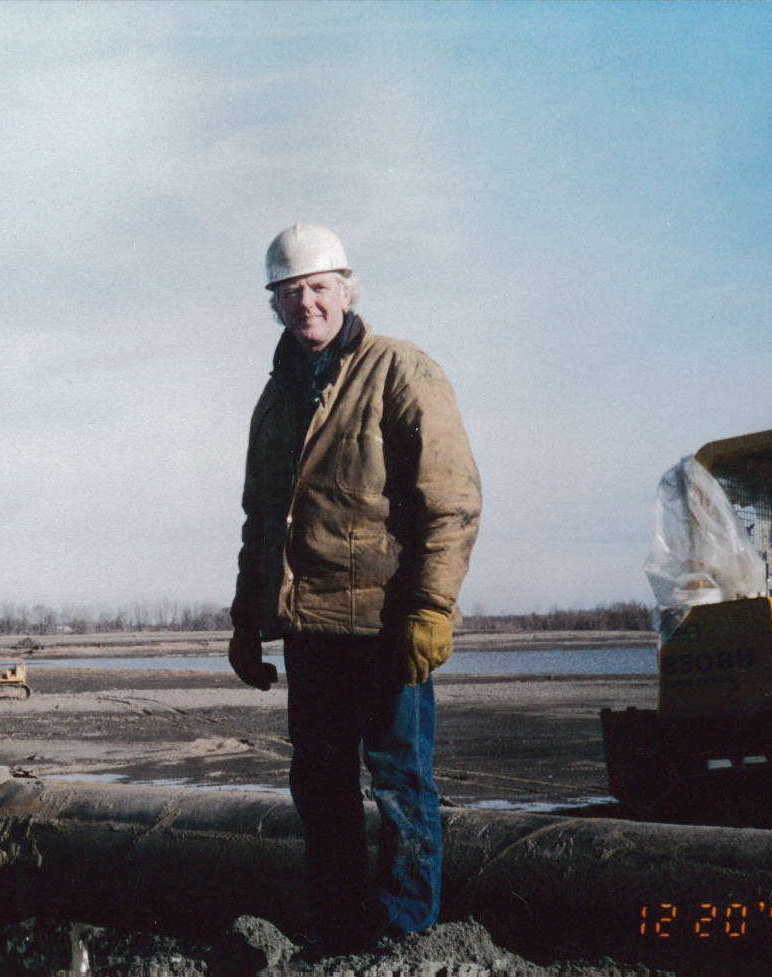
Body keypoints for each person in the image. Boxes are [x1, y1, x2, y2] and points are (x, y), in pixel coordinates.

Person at [228, 223, 481, 955]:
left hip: (385, 627)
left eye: (317, 288)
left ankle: (406, 936)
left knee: (401, 783)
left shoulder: (401, 371)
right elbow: (260, 524)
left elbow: (451, 498)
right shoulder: (275, 404)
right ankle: (338, 931)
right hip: (310, 632)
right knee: (322, 787)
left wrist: (432, 607)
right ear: (274, 305)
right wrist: (249, 623)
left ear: (346, 289)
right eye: (289, 292)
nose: (305, 303)